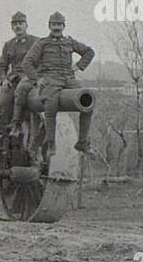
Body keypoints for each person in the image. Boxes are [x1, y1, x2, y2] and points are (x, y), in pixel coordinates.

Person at [21, 11, 95, 156]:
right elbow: (27, 63)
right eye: (54, 24)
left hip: (68, 78)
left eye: (59, 25)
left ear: (63, 26)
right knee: (51, 105)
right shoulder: (42, 43)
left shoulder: (69, 42)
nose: (57, 27)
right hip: (51, 79)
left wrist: (79, 66)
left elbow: (89, 52)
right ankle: (51, 144)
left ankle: (82, 143)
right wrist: (37, 79)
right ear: (49, 26)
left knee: (88, 102)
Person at [0, 12, 39, 144]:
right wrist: (4, 80)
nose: (18, 26)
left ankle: (17, 126)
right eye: (15, 24)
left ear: (26, 25)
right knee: (2, 103)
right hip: (13, 79)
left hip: (30, 78)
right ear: (12, 27)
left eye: (20, 23)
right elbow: (2, 65)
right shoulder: (8, 45)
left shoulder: (36, 42)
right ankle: (1, 140)